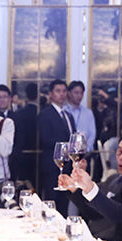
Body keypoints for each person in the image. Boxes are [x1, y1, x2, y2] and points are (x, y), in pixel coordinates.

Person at [62, 133, 122, 241]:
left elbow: (120, 215)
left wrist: (89, 188)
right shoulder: (115, 180)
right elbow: (94, 210)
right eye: (120, 152)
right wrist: (77, 189)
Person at [38, 79, 76, 213]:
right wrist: (66, 146)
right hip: (51, 166)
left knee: (64, 204)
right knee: (52, 205)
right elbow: (45, 139)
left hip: (67, 166)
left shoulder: (68, 115)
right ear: (51, 94)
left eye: (64, 91)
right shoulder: (45, 114)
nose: (62, 94)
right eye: (58, 91)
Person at [64, 80, 100, 179]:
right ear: (69, 93)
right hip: (67, 156)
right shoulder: (64, 112)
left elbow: (92, 134)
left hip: (83, 157)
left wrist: (85, 151)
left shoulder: (88, 113)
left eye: (81, 93)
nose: (79, 96)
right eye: (76, 92)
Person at [9, 83, 39, 186]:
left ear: (26, 94)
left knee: (23, 186)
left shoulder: (19, 113)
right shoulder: (41, 112)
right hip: (39, 154)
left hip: (22, 154)